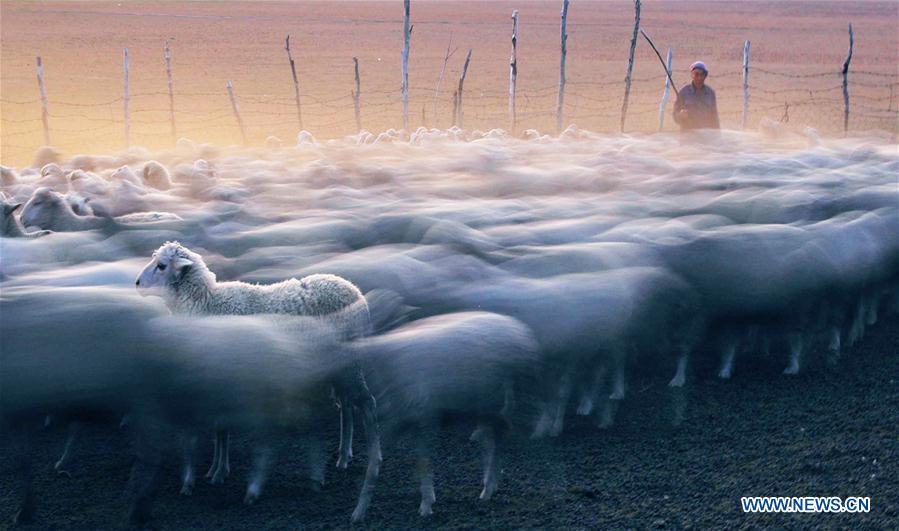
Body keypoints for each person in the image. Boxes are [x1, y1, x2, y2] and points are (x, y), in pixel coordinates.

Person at [673, 61, 720, 131]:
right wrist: (680, 115)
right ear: (692, 75)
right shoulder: (683, 92)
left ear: (705, 76)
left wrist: (717, 135)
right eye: (696, 74)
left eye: (702, 74)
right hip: (688, 135)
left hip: (706, 136)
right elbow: (675, 115)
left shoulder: (710, 93)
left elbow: (714, 118)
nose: (699, 77)